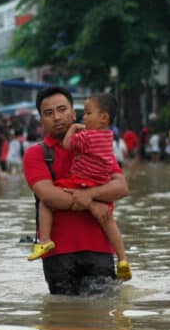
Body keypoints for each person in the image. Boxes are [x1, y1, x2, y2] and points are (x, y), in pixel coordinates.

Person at [23, 87, 129, 296]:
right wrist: (92, 203)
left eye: (62, 109)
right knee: (63, 320)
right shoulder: (37, 154)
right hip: (58, 255)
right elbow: (48, 195)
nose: (57, 117)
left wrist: (90, 194)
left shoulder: (95, 146)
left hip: (99, 249)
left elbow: (121, 187)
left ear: (74, 113)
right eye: (49, 113)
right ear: (41, 120)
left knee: (103, 321)